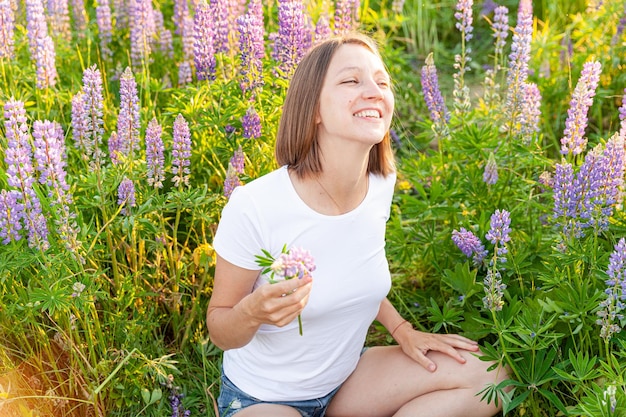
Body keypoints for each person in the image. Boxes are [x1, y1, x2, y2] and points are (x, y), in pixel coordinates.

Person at [207, 32, 508, 417]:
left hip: (346, 384)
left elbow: (354, 273)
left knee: (491, 378)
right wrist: (253, 312)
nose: (374, 91)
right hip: (265, 399)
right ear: (313, 107)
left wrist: (402, 330)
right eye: (352, 80)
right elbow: (220, 327)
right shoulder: (255, 205)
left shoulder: (380, 185)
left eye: (381, 82)